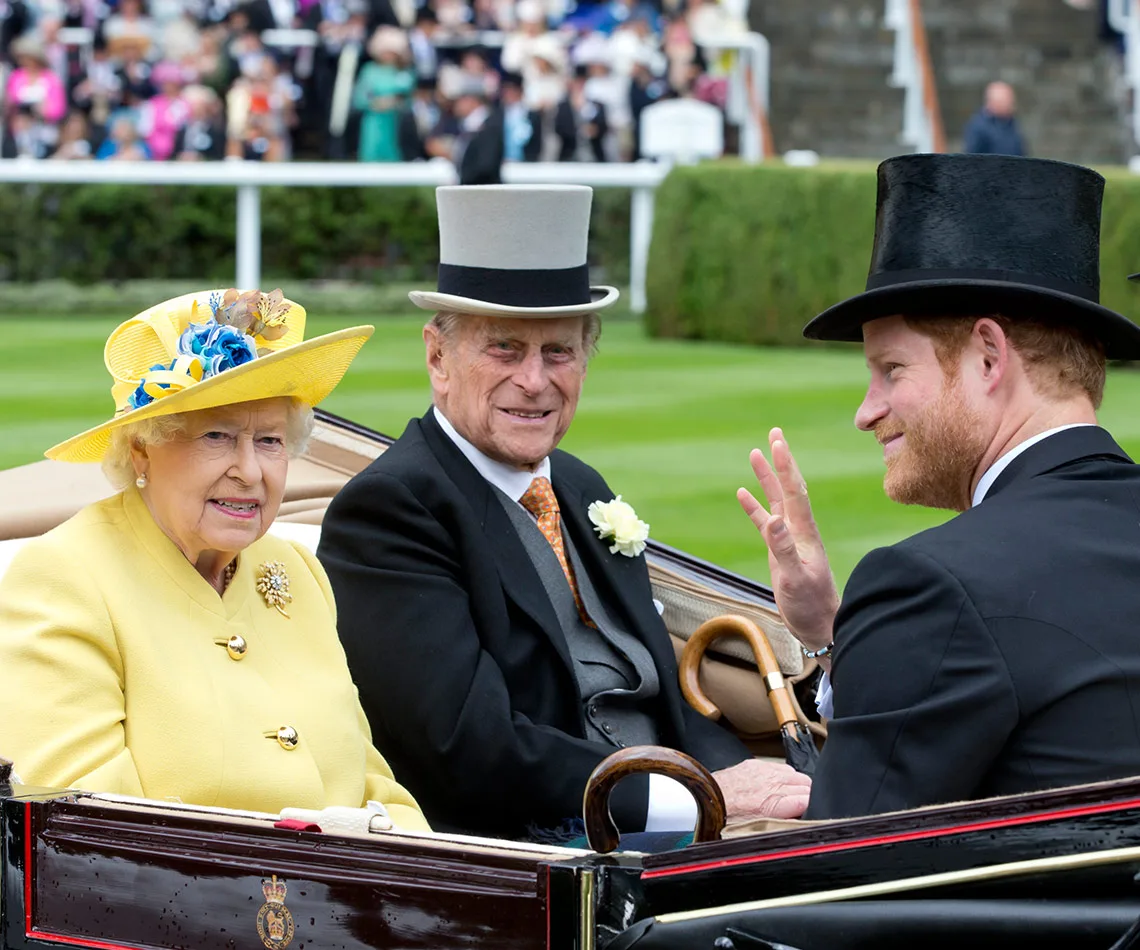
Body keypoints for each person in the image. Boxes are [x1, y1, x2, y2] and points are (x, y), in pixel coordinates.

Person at [318, 185, 811, 841]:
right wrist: (692, 797)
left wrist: (749, 778)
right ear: (438, 357)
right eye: (504, 349)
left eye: (558, 352)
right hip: (535, 853)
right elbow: (467, 747)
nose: (534, 380)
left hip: (672, 817)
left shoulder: (579, 487)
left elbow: (659, 693)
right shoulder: (391, 510)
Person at [738, 153, 1140, 820]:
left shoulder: (930, 586)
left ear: (988, 356)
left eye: (891, 369)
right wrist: (830, 636)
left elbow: (842, 882)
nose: (866, 411)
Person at [0, 288, 427, 831]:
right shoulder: (62, 581)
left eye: (270, 440)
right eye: (217, 437)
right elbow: (90, 836)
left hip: (340, 906)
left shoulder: (298, 571)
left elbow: (375, 789)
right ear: (141, 450)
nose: (250, 471)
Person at [963, 81, 1026, 156]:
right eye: (1006, 101)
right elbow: (972, 157)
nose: (1011, 105)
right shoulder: (978, 127)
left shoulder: (1012, 124)